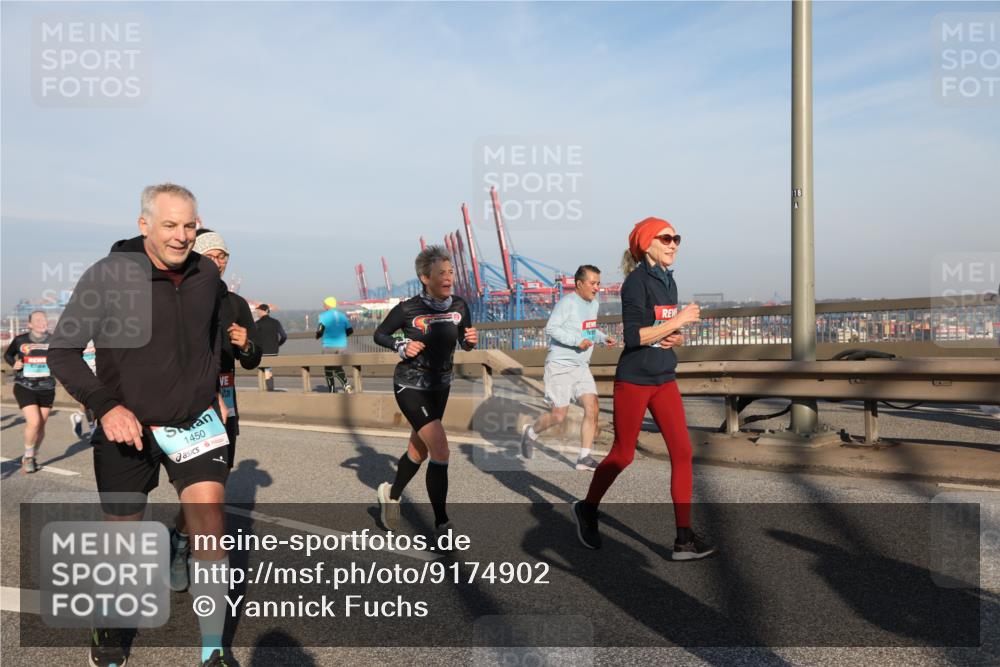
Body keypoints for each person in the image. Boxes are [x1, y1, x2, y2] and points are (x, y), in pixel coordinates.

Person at [48, 183, 234, 667]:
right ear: (144, 225)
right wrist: (106, 407)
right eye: (170, 225)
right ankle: (106, 628)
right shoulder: (109, 276)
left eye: (190, 225)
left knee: (210, 522)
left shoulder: (207, 274)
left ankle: (213, 650)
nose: (181, 236)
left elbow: (212, 335)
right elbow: (63, 352)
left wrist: (213, 385)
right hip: (125, 428)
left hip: (195, 424)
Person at [572, 217, 716, 561]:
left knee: (682, 453)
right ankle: (588, 509)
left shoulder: (669, 281)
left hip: (664, 377)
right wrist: (678, 322)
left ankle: (683, 540)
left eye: (676, 238)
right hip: (635, 380)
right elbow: (634, 336)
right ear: (647, 243)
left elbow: (658, 328)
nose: (673, 244)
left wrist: (673, 335)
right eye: (666, 238)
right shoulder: (635, 283)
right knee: (623, 454)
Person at [169, 228, 263, 593]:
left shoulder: (236, 304)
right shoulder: (178, 297)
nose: (219, 261)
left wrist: (246, 344)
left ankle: (180, 536)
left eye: (223, 256)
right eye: (212, 255)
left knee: (213, 484)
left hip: (225, 401)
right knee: (194, 485)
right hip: (186, 401)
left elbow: (252, 360)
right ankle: (182, 546)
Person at [373, 246, 477, 538]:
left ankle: (391, 494)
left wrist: (469, 340)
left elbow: (464, 341)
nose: (448, 278)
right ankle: (442, 524)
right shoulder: (408, 309)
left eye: (451, 272)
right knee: (440, 448)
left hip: (440, 385)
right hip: (410, 384)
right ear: (425, 278)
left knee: (418, 450)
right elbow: (379, 334)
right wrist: (401, 345)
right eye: (441, 273)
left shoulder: (459, 306)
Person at [520, 265, 616, 471]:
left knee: (593, 407)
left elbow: (588, 329)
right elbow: (551, 328)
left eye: (598, 283)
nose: (597, 287)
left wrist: (602, 337)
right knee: (559, 415)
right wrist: (576, 342)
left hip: (581, 366)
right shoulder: (567, 303)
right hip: (560, 366)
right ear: (579, 284)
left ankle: (584, 457)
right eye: (593, 283)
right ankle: (530, 432)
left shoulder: (594, 305)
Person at [3, 310, 55, 474]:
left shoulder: (54, 340)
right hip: (25, 385)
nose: (42, 322)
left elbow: (63, 358)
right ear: (30, 325)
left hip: (47, 387)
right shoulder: (20, 340)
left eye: (44, 319)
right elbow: (8, 355)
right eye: (37, 320)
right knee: (34, 422)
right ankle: (28, 456)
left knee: (41, 426)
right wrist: (14, 364)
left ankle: (31, 456)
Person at [315, 296, 354, 393]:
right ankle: (346, 385)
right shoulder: (342, 316)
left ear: (328, 305)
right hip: (342, 345)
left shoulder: (323, 316)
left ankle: (332, 390)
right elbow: (350, 331)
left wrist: (317, 336)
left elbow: (320, 330)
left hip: (329, 345)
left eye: (324, 304)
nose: (323, 305)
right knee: (337, 366)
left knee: (328, 368)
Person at [254, 303, 286, 391]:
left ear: (264, 311)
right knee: (268, 369)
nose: (257, 313)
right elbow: (284, 336)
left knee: (264, 369)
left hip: (262, 352)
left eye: (258, 311)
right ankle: (269, 388)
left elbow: (253, 338)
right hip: (274, 351)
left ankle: (267, 390)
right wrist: (278, 344)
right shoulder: (276, 322)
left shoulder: (257, 323)